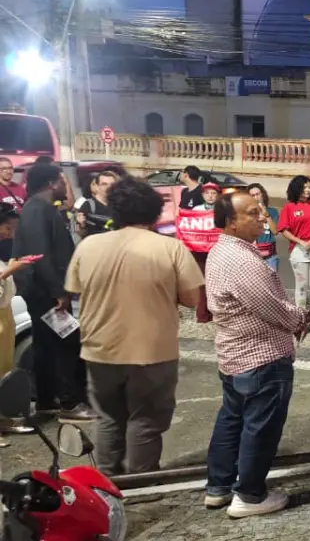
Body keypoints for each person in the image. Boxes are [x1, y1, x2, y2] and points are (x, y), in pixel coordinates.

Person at [66, 178, 204, 476]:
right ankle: (141, 479)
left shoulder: (88, 246)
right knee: (146, 418)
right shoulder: (170, 248)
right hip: (153, 350)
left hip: (99, 348)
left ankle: (106, 480)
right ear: (155, 212)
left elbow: (75, 288)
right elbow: (192, 299)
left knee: (107, 417)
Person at [203, 191, 308, 518]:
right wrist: (299, 319)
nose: (262, 217)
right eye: (252, 213)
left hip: (237, 357)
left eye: (260, 210)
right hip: (260, 358)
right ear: (231, 222)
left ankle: (218, 487)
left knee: (232, 420)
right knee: (259, 428)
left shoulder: (224, 250)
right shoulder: (240, 260)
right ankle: (249, 495)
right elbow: (270, 307)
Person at [13, 163, 93, 421]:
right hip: (46, 293)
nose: (64, 186)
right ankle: (70, 403)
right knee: (68, 345)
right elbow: (39, 255)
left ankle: (48, 400)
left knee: (46, 346)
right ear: (50, 183)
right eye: (61, 181)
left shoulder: (42, 208)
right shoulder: (37, 209)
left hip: (45, 290)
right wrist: (58, 291)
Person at [0, 205, 36, 439]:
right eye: (6, 227)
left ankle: (3, 420)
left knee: (4, 369)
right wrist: (9, 271)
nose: (11, 232)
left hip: (5, 315)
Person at [278, 175, 310, 332]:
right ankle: (300, 318)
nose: (308, 190)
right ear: (296, 189)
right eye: (304, 187)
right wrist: (300, 242)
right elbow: (284, 230)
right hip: (299, 250)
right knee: (301, 285)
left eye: (309, 187)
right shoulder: (289, 207)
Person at [246, 184, 280, 272]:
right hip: (251, 256)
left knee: (271, 284)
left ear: (262, 194)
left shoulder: (273, 211)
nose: (256, 197)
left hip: (270, 256)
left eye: (258, 194)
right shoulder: (245, 213)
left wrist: (267, 216)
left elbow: (275, 231)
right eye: (252, 195)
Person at [76, 171, 118, 238]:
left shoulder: (119, 205)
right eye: (104, 184)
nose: (109, 187)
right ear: (97, 186)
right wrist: (82, 225)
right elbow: (81, 234)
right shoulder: (88, 205)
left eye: (112, 184)